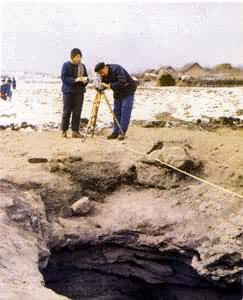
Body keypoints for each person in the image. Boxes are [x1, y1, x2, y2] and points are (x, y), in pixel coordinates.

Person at [94, 62, 137, 140]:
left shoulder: (117, 68)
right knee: (116, 112)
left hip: (128, 91)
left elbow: (122, 82)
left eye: (101, 72)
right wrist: (98, 87)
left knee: (125, 112)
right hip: (118, 93)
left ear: (105, 67)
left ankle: (122, 132)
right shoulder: (103, 74)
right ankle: (115, 132)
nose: (101, 74)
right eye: (99, 73)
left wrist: (109, 85)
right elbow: (104, 85)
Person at [61, 48, 89, 138]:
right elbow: (64, 77)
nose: (79, 59)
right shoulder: (66, 65)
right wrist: (75, 80)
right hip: (68, 92)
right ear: (72, 57)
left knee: (77, 112)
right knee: (66, 112)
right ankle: (64, 131)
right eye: (77, 57)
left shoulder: (82, 66)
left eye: (80, 57)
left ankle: (75, 131)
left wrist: (86, 81)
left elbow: (86, 77)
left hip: (79, 92)